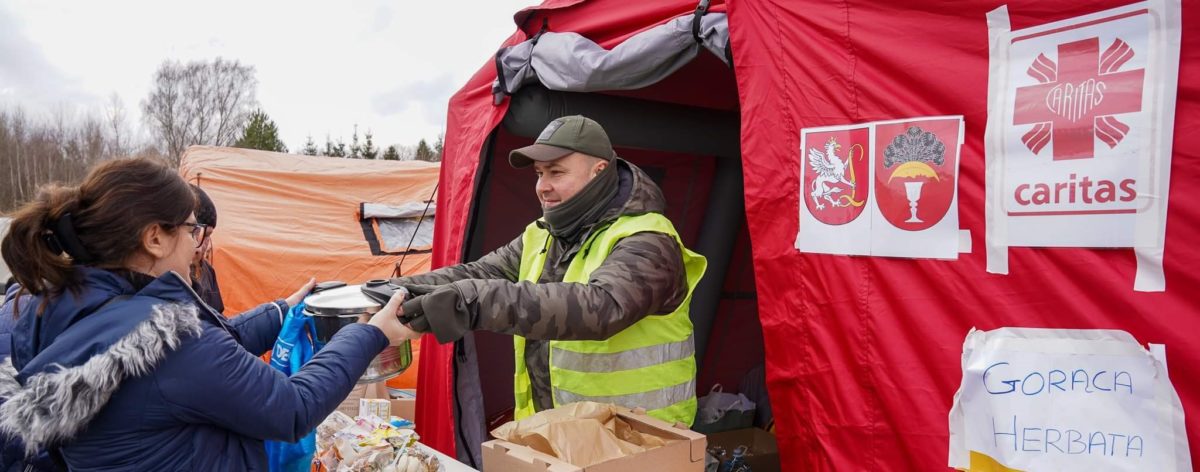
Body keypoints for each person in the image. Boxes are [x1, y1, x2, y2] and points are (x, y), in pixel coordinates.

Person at [0, 157, 419, 471]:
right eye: (191, 229)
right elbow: (292, 407)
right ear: (155, 238)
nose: (197, 244)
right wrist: (370, 334)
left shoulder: (57, 308)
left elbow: (204, 361)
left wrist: (281, 310)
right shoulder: (167, 339)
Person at [390, 115, 707, 425]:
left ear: (598, 172)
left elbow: (601, 308)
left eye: (556, 172)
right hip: (557, 434)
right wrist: (396, 290)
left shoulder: (649, 237)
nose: (543, 186)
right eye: (539, 173)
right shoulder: (541, 234)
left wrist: (471, 301)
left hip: (639, 440)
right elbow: (480, 273)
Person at [190, 184, 224, 313]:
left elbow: (218, 319)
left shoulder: (207, 272)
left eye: (209, 236)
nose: (207, 246)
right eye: (204, 235)